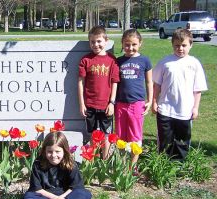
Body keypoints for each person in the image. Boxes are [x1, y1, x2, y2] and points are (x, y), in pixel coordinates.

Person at [152, 29, 208, 161]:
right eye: (177, 45)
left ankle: (179, 166)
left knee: (182, 141)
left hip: (184, 110)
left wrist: (195, 108)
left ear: (191, 45)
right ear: (172, 45)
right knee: (165, 141)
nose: (180, 48)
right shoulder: (165, 62)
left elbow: (197, 89)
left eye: (184, 45)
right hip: (165, 109)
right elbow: (157, 85)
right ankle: (163, 166)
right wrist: (154, 102)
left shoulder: (194, 64)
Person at [23, 131, 92, 199]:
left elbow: (75, 186)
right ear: (44, 151)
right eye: (50, 152)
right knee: (28, 197)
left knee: (84, 194)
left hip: (66, 195)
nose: (53, 155)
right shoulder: (38, 164)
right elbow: (37, 189)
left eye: (57, 151)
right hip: (46, 196)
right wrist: (54, 198)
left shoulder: (71, 164)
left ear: (65, 151)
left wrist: (61, 197)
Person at [78, 26, 120, 158]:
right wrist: (82, 104)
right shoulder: (86, 60)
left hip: (106, 105)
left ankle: (104, 160)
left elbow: (114, 82)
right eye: (92, 42)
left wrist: (112, 102)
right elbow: (80, 82)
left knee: (106, 135)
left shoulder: (112, 60)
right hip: (90, 104)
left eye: (99, 41)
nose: (96, 45)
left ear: (106, 41)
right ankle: (93, 159)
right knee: (92, 134)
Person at [116, 29, 153, 167]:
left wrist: (150, 100)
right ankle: (121, 164)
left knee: (135, 136)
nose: (130, 48)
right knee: (120, 136)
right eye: (127, 44)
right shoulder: (119, 61)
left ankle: (133, 166)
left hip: (137, 103)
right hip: (120, 103)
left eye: (134, 44)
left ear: (140, 44)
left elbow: (149, 82)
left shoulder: (144, 60)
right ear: (122, 44)